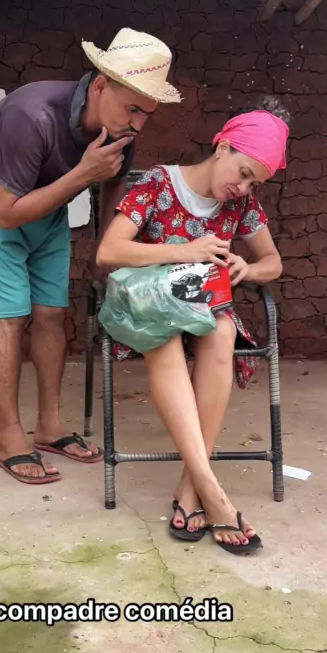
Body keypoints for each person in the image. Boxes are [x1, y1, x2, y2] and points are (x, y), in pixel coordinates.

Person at [0, 28, 181, 485]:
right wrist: (82, 173)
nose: (138, 124)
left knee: (52, 314)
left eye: (146, 113)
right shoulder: (30, 116)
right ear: (99, 86)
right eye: (132, 109)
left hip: (48, 205)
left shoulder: (122, 130)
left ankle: (50, 425)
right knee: (11, 314)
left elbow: (114, 191)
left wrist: (106, 253)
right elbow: (7, 213)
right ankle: (11, 436)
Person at [96, 105, 289, 555]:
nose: (243, 187)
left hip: (206, 308)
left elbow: (273, 262)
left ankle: (191, 485)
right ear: (223, 147)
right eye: (243, 173)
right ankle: (210, 487)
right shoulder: (158, 184)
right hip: (151, 307)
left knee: (221, 331)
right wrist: (185, 250)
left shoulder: (241, 204)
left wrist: (248, 268)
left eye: (254, 183)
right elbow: (109, 252)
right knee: (165, 338)